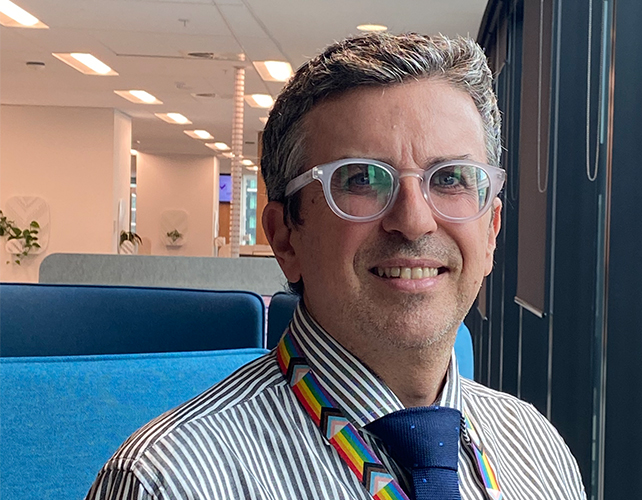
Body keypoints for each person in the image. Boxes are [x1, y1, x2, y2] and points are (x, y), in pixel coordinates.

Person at [86, 32, 586, 500]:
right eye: (361, 179)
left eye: (451, 178)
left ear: (491, 229)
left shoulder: (537, 451)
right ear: (285, 237)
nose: (414, 221)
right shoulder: (171, 481)